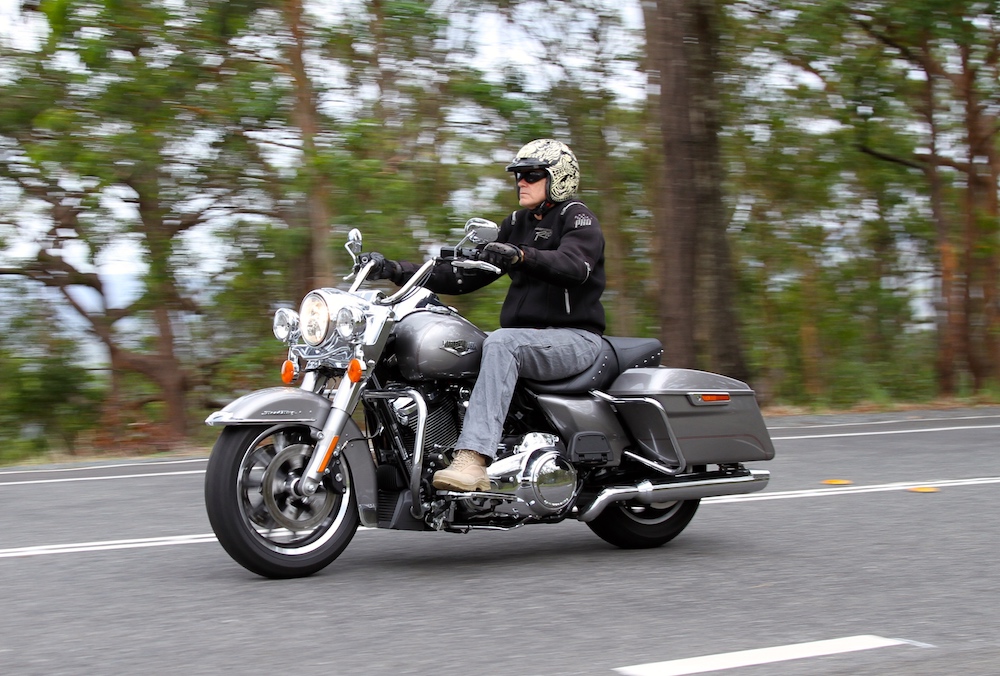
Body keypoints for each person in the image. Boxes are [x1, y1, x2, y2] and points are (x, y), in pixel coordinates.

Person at [367, 138, 606, 492]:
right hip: (530, 342)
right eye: (518, 176)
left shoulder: (577, 216)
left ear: (559, 177)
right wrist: (395, 269)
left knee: (502, 343)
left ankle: (473, 459)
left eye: (532, 175)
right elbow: (461, 276)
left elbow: (575, 265)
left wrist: (521, 256)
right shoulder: (515, 222)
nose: (521, 182)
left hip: (575, 339)